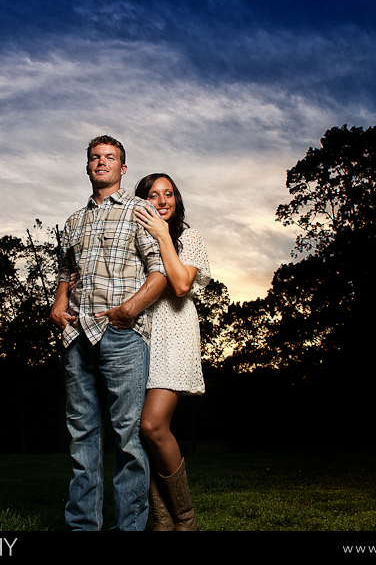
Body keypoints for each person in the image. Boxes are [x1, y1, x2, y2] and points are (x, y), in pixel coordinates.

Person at [51, 135, 168, 531]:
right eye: (95, 157)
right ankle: (83, 526)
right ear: (87, 166)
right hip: (77, 336)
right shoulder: (71, 222)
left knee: (128, 440)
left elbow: (160, 271)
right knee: (81, 435)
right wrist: (58, 302)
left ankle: (130, 527)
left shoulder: (141, 211)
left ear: (123, 167)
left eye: (110, 158)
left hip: (123, 336)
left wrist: (128, 311)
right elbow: (66, 270)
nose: (102, 163)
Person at [134, 173, 211, 531]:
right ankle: (162, 520)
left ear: (176, 200)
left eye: (169, 194)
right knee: (139, 430)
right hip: (140, 335)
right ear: (142, 202)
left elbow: (181, 284)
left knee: (152, 424)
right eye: (153, 195)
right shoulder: (134, 239)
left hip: (174, 332)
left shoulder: (188, 236)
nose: (162, 200)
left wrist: (164, 235)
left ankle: (185, 518)